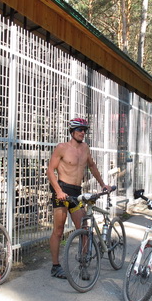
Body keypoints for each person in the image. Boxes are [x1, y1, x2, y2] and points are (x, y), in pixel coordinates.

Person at [46, 118, 110, 279]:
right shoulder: (62, 148)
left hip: (76, 192)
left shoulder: (85, 149)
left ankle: (83, 264)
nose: (83, 132)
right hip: (62, 190)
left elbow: (92, 166)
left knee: (84, 230)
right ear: (72, 131)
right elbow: (50, 171)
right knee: (58, 230)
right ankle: (55, 266)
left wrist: (103, 184)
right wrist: (59, 191)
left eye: (85, 130)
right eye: (80, 129)